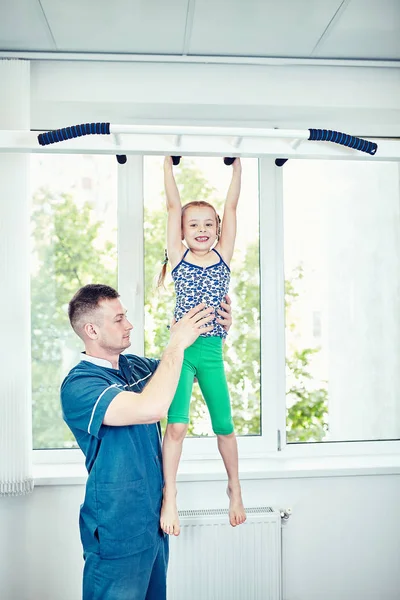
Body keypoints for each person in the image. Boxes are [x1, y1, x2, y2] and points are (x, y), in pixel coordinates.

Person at [60, 283, 232, 600]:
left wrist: (214, 332)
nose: (129, 325)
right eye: (119, 319)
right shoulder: (80, 385)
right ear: (92, 330)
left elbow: (189, 373)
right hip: (117, 529)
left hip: (152, 522)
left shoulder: (136, 366)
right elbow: (151, 408)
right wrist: (175, 346)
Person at [159, 156, 246, 537]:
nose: (202, 229)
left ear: (218, 230)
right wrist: (167, 164)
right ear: (181, 232)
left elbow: (231, 206)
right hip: (180, 352)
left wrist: (237, 167)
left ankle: (235, 488)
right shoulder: (178, 258)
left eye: (209, 224)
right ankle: (171, 495)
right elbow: (172, 205)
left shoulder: (222, 258)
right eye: (193, 224)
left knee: (224, 428)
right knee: (175, 427)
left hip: (210, 352)